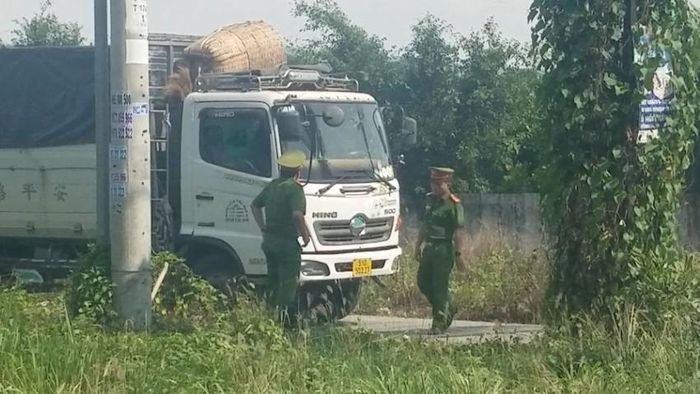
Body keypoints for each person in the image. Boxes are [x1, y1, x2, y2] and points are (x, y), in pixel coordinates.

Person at [250, 150, 311, 327]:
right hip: (287, 245)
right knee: (288, 285)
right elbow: (297, 216)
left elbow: (255, 205)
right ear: (298, 171)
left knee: (274, 282)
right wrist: (306, 238)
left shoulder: (273, 186)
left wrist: (262, 227)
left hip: (269, 242)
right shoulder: (294, 189)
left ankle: (269, 321)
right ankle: (287, 325)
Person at [414, 167, 467, 334]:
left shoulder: (454, 205)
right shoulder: (430, 201)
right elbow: (424, 225)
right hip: (429, 248)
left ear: (448, 183)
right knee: (423, 282)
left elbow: (458, 231)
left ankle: (439, 322)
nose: (434, 186)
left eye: (438, 183)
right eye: (432, 182)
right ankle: (449, 304)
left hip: (444, 249)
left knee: (439, 287)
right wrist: (417, 245)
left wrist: (458, 255)